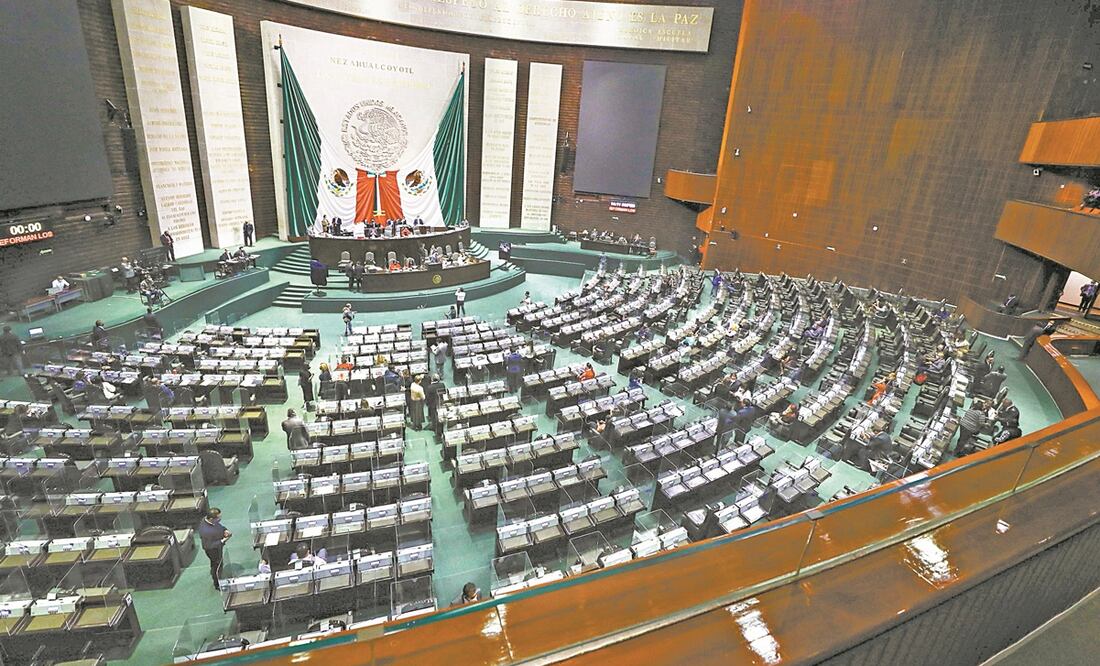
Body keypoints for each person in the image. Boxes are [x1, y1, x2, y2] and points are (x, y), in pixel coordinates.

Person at [198, 508, 231, 589]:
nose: (220, 519)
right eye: (218, 518)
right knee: (216, 565)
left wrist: (224, 530)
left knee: (220, 562)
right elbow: (208, 546)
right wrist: (223, 540)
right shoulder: (205, 531)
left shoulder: (209, 521)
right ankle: (217, 584)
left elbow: (218, 526)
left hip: (217, 546)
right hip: (212, 551)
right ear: (212, 519)